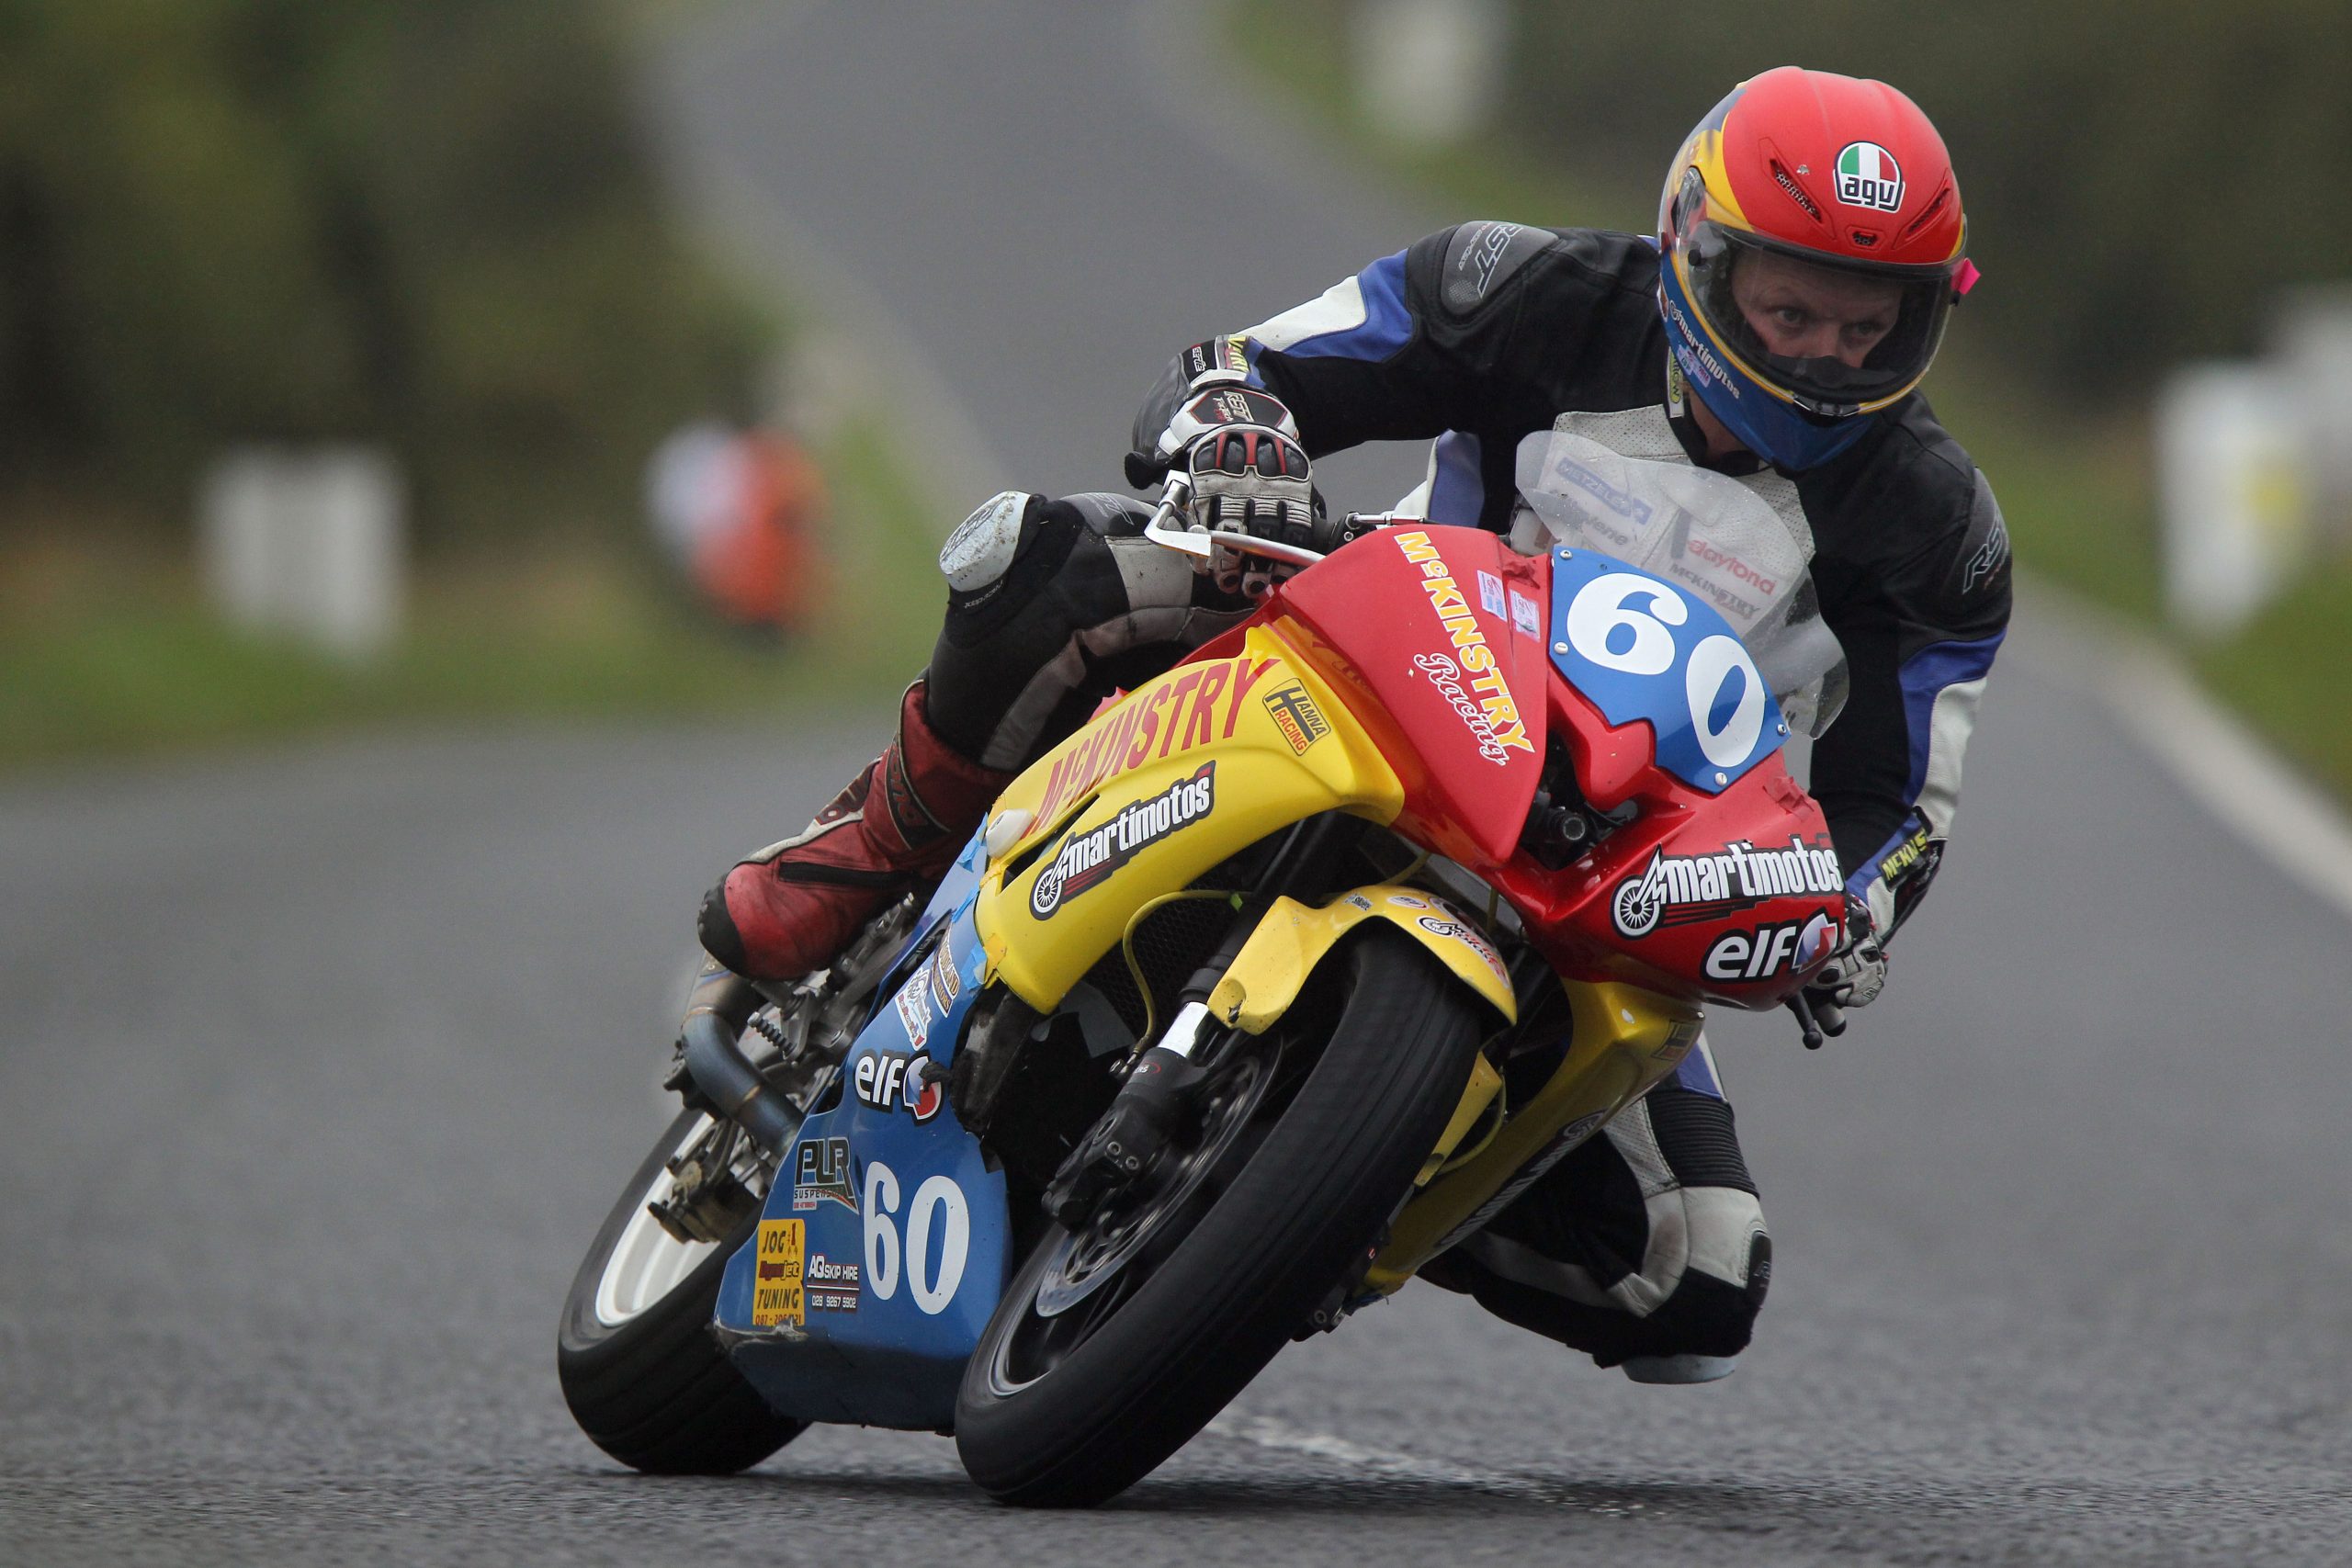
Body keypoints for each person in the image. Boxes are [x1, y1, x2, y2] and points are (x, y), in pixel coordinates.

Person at [697, 67, 2010, 1383]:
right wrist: (1238, 429)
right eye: (1786, 309)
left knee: (1697, 1279)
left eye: (1866, 330)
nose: (1820, 358)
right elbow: (1244, 367)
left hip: (1607, 856)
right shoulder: (1531, 293)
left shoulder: (1936, 533)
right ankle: (871, 844)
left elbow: (1896, 804)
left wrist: (1836, 914)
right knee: (1045, 563)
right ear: (1695, 254)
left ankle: (1319, 1196)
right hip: (1374, 653)